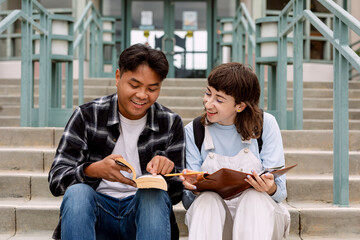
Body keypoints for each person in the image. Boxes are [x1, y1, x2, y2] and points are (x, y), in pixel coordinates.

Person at [48, 43, 185, 240]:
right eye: (134, 85)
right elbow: (57, 179)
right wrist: (93, 170)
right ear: (118, 77)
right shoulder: (87, 115)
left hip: (143, 217)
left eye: (152, 88)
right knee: (78, 194)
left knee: (152, 195)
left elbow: (176, 196)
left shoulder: (170, 123)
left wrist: (168, 175)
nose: (142, 95)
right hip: (96, 216)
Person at [180, 62, 290, 240]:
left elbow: (281, 193)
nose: (208, 103)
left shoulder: (266, 124)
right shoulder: (194, 130)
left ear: (240, 106)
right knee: (207, 201)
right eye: (208, 93)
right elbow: (188, 203)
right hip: (215, 222)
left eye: (219, 99)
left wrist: (270, 187)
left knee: (254, 197)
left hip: (261, 219)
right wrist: (193, 189)